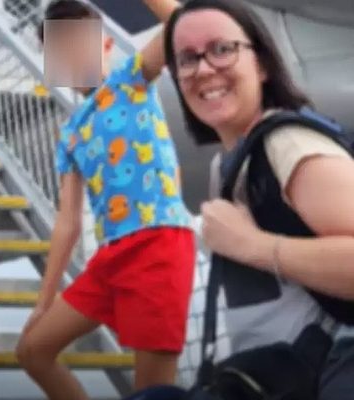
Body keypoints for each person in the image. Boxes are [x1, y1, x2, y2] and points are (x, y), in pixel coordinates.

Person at [163, 0, 354, 397]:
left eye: (222, 49)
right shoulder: (228, 164)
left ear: (263, 64)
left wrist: (253, 246)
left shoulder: (288, 146)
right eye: (187, 59)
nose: (203, 69)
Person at [16, 0, 196, 397]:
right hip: (110, 256)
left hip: (158, 243)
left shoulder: (131, 80)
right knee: (32, 351)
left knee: (151, 392)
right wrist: (43, 303)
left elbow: (182, 21)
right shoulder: (70, 133)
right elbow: (67, 223)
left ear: (107, 45)